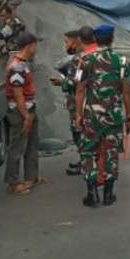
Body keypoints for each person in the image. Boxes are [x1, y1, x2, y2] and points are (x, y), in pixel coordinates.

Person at [75, 24, 130, 208]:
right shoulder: (121, 61)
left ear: (95, 40)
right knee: (111, 153)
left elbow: (80, 89)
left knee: (88, 152)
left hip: (91, 117)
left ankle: (92, 194)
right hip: (113, 117)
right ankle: (108, 194)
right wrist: (129, 115)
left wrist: (78, 114)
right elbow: (126, 92)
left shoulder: (84, 60)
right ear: (112, 39)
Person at [4, 31, 44, 195]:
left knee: (32, 145)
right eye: (35, 44)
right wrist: (26, 116)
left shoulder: (22, 63)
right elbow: (18, 95)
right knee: (17, 148)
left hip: (29, 108)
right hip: (21, 111)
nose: (36, 48)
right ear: (30, 46)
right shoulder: (17, 67)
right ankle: (13, 183)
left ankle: (31, 177)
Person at [52, 30, 85, 176]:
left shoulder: (79, 59)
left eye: (67, 41)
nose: (65, 45)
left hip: (78, 105)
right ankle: (85, 161)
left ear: (76, 41)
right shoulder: (78, 58)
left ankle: (86, 163)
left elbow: (76, 83)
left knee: (79, 133)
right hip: (77, 103)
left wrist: (62, 82)